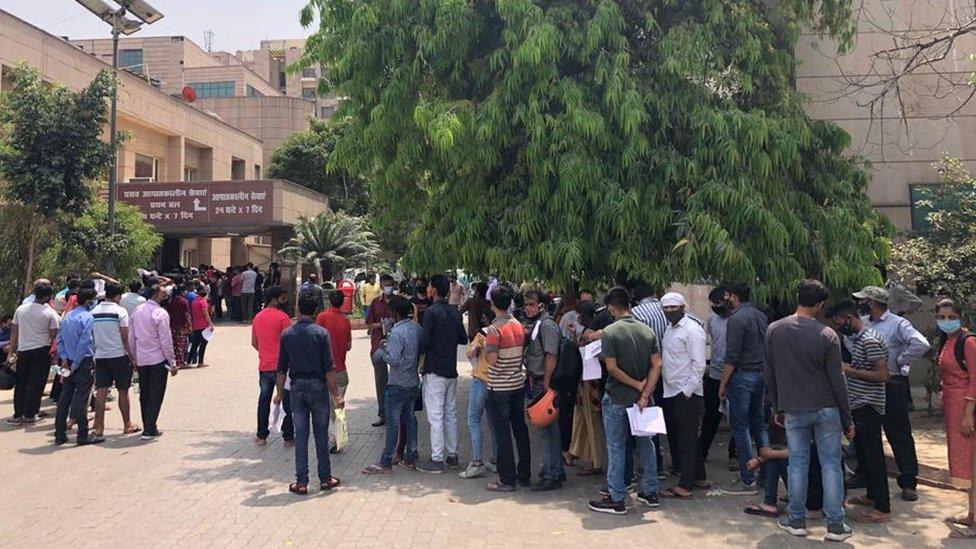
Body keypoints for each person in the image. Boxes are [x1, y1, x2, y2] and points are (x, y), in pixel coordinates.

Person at [766, 279, 854, 542]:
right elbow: (838, 379)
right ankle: (836, 525)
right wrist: (847, 416)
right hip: (826, 407)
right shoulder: (827, 335)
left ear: (797, 297)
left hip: (793, 407)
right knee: (831, 465)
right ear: (820, 305)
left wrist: (776, 405)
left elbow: (769, 372)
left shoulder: (774, 330)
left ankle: (796, 520)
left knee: (797, 464)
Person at [588, 287, 662, 514]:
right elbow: (657, 364)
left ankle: (616, 497)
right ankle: (650, 491)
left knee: (617, 446)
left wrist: (636, 385)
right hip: (642, 401)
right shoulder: (647, 331)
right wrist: (645, 393)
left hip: (618, 397)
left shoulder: (610, 332)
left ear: (611, 307)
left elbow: (611, 368)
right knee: (645, 444)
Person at [853, 285, 930, 501]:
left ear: (871, 302)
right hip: (868, 383)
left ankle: (908, 481)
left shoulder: (897, 323)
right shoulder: (864, 323)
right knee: (866, 434)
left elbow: (920, 343)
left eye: (863, 300)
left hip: (892, 383)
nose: (859, 303)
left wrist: (901, 360)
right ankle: (865, 475)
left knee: (898, 433)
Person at [274, 289, 345, 495]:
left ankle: (302, 481)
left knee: (301, 435)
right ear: (316, 310)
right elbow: (329, 368)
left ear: (298, 308)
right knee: (321, 434)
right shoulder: (321, 334)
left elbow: (281, 368)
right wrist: (336, 394)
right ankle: (325, 478)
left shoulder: (287, 334)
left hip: (296, 388)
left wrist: (279, 394)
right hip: (318, 387)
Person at [827, 299, 891, 523]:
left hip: (868, 404)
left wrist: (848, 370)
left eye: (839, 322)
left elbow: (883, 375)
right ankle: (872, 495)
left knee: (873, 456)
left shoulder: (870, 340)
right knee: (864, 454)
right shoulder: (860, 338)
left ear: (849, 318)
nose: (839, 326)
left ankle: (883, 507)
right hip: (859, 403)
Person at [362, 297, 423, 474]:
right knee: (410, 420)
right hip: (412, 381)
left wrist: (382, 353)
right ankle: (410, 456)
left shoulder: (397, 332)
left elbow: (395, 360)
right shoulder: (416, 328)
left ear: (395, 313)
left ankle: (386, 461)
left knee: (393, 422)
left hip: (397, 383)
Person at [718, 282, 769, 494]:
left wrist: (722, 383)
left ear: (733, 296)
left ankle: (747, 478)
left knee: (741, 427)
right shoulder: (760, 316)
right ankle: (766, 474)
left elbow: (732, 357)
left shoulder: (736, 319)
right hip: (760, 374)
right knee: (759, 425)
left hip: (742, 376)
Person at [416, 274, 468, 474]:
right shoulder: (454, 312)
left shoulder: (431, 312)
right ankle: (452, 455)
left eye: (429, 286)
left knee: (435, 415)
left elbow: (424, 341)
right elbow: (463, 339)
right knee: (450, 414)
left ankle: (437, 459)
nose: (427, 289)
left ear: (434, 290)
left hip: (434, 370)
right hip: (450, 371)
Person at [934, 299, 976, 539]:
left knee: (973, 465)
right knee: (966, 465)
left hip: (965, 408)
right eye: (942, 317)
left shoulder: (968, 342)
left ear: (960, 317)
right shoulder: (948, 341)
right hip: (953, 406)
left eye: (951, 317)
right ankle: (972, 514)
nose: (946, 321)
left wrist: (968, 414)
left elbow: (974, 379)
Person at [659, 292, 708, 498]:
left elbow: (699, 364)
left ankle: (685, 486)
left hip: (685, 392)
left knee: (685, 439)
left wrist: (688, 390)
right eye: (666, 308)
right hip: (672, 389)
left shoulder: (692, 330)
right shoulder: (670, 329)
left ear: (682, 308)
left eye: (674, 308)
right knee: (687, 437)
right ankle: (699, 476)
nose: (670, 311)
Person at [484, 285, 531, 492]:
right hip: (517, 383)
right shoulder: (517, 325)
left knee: (502, 433)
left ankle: (507, 479)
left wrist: (483, 347)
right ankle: (524, 473)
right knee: (520, 429)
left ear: (492, 304)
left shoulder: (494, 330)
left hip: (499, 387)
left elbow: (492, 359)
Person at [522, 290, 564, 491]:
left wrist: (547, 384)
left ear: (542, 305)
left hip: (544, 384)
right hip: (537, 381)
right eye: (526, 304)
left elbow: (551, 356)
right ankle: (554, 468)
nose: (528, 307)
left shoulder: (547, 325)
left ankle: (551, 474)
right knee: (548, 430)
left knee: (547, 431)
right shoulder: (539, 324)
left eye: (532, 303)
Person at [129, 279, 179, 440]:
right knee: (156, 394)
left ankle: (148, 425)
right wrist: (172, 362)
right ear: (156, 294)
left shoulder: (137, 311)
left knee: (145, 393)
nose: (165, 292)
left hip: (142, 358)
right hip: (158, 359)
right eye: (162, 290)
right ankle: (150, 428)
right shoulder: (160, 313)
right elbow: (166, 340)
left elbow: (131, 337)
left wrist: (134, 357)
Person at [53, 287, 103, 446]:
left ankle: (59, 433)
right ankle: (82, 435)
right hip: (83, 362)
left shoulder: (67, 317)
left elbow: (59, 340)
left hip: (67, 361)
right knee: (81, 398)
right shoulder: (87, 317)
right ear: (89, 301)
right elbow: (84, 343)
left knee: (65, 397)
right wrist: (75, 363)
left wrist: (65, 359)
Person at [6, 282, 60, 426]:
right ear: (49, 297)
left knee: (21, 383)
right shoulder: (50, 313)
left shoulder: (21, 310)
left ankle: (18, 415)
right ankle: (30, 414)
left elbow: (14, 332)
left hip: (23, 351)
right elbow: (54, 336)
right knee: (36, 383)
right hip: (42, 351)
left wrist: (11, 352)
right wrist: (55, 355)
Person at [91, 282, 139, 437]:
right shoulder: (120, 312)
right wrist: (132, 355)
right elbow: (125, 337)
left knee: (101, 391)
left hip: (100, 355)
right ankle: (127, 424)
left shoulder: (94, 311)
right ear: (117, 296)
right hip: (119, 355)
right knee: (123, 391)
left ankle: (99, 427)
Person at [252, 286, 294, 446]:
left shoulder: (258, 317)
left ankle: (261, 436)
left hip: (264, 366)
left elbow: (254, 342)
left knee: (264, 400)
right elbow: (290, 342)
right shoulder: (283, 318)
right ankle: (288, 437)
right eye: (283, 298)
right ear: (275, 299)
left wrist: (265, 351)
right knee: (286, 400)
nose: (285, 302)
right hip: (282, 367)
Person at [702, 285, 737, 471]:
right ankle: (702, 451)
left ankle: (734, 454)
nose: (715, 307)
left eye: (718, 303)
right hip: (715, 374)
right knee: (711, 415)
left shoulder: (738, 320)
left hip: (734, 376)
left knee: (737, 418)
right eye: (713, 304)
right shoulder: (712, 319)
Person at [459, 327, 499, 479]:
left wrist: (479, 343)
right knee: (493, 422)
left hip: (481, 379)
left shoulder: (483, 334)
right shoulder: (507, 331)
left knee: (474, 419)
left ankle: (477, 462)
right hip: (496, 382)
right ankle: (496, 460)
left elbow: (469, 353)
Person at [316, 290, 353, 452]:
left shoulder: (322, 317)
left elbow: (314, 339)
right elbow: (348, 346)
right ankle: (339, 438)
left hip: (324, 371)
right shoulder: (345, 321)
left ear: (330, 301)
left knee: (327, 408)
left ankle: (335, 439)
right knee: (338, 407)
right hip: (341, 372)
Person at [366, 274, 397, 426]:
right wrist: (380, 325)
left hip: (396, 344)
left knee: (397, 378)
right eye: (385, 285)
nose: (388, 287)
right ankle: (383, 413)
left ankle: (396, 412)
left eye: (390, 284)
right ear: (381, 286)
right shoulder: (375, 303)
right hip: (378, 344)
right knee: (380, 380)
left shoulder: (399, 302)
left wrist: (393, 324)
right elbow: (369, 324)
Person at [165, 285, 192, 370]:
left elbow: (169, 314)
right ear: (182, 292)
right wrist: (190, 325)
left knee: (174, 345)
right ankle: (181, 363)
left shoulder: (171, 301)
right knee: (181, 345)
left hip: (172, 326)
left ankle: (175, 361)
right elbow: (187, 314)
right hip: (182, 326)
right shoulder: (184, 302)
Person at [188, 286, 215, 368]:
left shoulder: (194, 301)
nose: (205, 292)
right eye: (204, 290)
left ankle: (188, 361)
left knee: (195, 344)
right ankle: (200, 362)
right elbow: (206, 314)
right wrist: (211, 324)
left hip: (196, 325)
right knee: (203, 344)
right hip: (204, 325)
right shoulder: (203, 301)